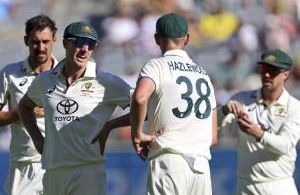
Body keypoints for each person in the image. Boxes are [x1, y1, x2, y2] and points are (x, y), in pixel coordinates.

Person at [17, 21, 132, 195]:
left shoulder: (107, 82)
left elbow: (145, 106)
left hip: (88, 173)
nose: (85, 49)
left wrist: (110, 125)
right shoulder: (44, 80)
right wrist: (37, 139)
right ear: (65, 43)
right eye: (78, 42)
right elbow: (24, 106)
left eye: (91, 44)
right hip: (52, 172)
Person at [130, 13, 218, 195]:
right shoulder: (203, 75)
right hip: (201, 168)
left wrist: (137, 133)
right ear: (187, 39)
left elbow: (140, 98)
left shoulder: (156, 66)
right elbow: (213, 138)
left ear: (156, 39)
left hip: (169, 162)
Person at [218, 49, 300, 195]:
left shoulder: (294, 107)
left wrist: (257, 133)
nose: (267, 75)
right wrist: (224, 110)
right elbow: (213, 124)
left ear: (286, 74)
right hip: (246, 186)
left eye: (273, 70)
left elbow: (285, 145)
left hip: (279, 186)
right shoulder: (242, 99)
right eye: (263, 69)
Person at [0, 14, 58, 195]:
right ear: (26, 41)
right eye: (35, 42)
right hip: (23, 164)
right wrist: (21, 112)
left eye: (45, 41)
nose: (40, 47)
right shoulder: (10, 73)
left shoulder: (65, 74)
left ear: (54, 41)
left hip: (60, 163)